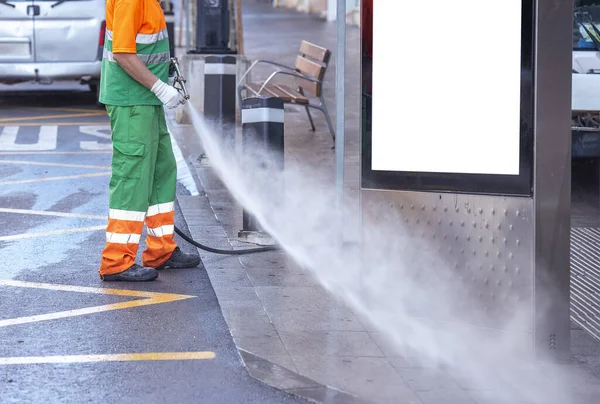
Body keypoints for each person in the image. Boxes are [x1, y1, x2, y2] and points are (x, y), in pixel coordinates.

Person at [98, 0, 199, 282]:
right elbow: (123, 53)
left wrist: (162, 77)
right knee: (132, 177)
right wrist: (159, 87)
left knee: (160, 171)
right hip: (132, 102)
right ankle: (116, 260)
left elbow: (145, 50)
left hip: (145, 100)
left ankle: (161, 250)